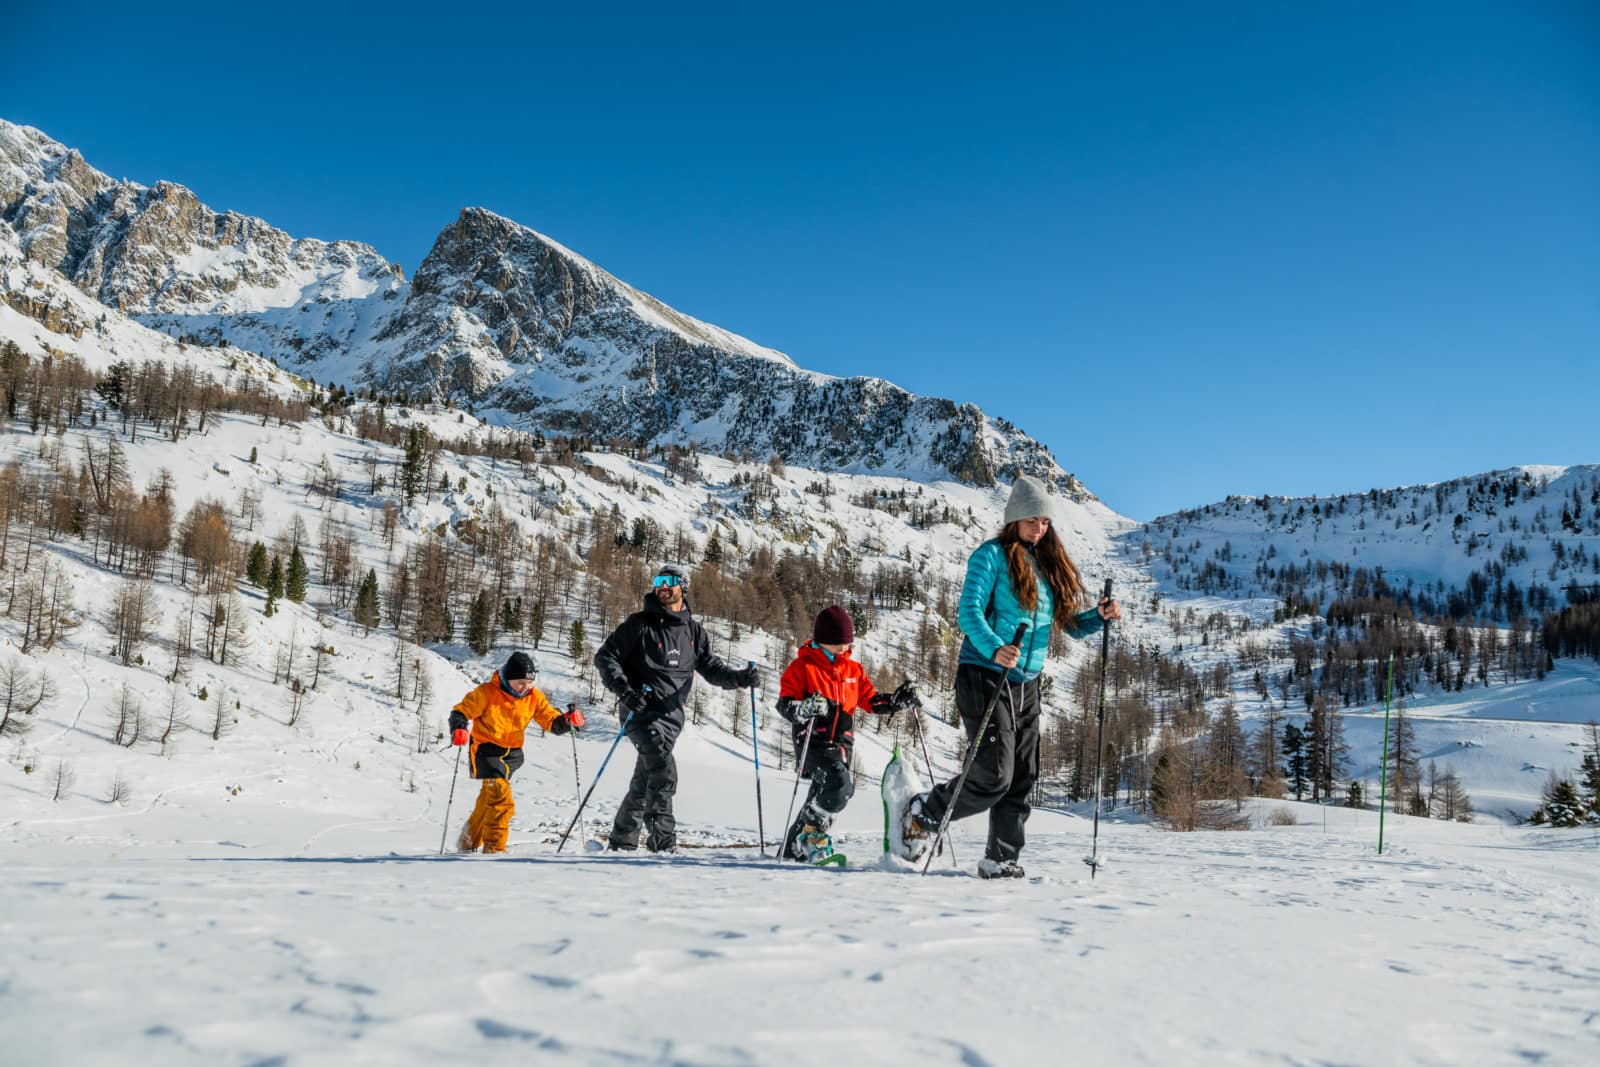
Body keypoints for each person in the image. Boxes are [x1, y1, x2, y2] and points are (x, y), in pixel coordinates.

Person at [901, 475, 1122, 879]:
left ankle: (1001, 859)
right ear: (1014, 519)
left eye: (1044, 521)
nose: (1039, 528)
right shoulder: (990, 556)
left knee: (1022, 776)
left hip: (1026, 684)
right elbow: (968, 612)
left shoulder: (1048, 564)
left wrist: (1099, 616)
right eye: (1031, 520)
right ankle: (924, 813)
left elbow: (1069, 625)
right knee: (994, 775)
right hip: (984, 674)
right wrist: (995, 648)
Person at [595, 563, 759, 852]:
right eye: (659, 580)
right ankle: (663, 843)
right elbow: (605, 657)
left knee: (645, 781)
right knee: (663, 771)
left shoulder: (694, 632)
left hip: (671, 720)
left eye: (669, 581)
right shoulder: (639, 625)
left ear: (683, 586)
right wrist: (625, 691)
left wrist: (739, 679)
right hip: (639, 713)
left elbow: (711, 668)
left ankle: (621, 842)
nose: (662, 586)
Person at [777, 605, 919, 862]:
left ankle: (791, 851)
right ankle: (810, 837)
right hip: (813, 742)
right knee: (840, 788)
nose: (844, 648)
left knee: (821, 795)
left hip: (842, 745)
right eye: (838, 643)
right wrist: (804, 708)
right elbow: (785, 704)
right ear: (822, 640)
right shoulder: (803, 667)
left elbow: (872, 701)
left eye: (847, 643)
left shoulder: (853, 670)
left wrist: (895, 701)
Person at [449, 651, 584, 854]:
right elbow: (461, 711)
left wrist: (568, 720)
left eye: (529, 682)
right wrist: (459, 727)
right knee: (501, 799)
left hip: (511, 756)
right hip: (486, 752)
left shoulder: (534, 697)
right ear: (507, 677)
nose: (525, 687)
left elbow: (551, 722)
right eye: (520, 682)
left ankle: (467, 842)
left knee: (488, 799)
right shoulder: (487, 692)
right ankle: (494, 850)